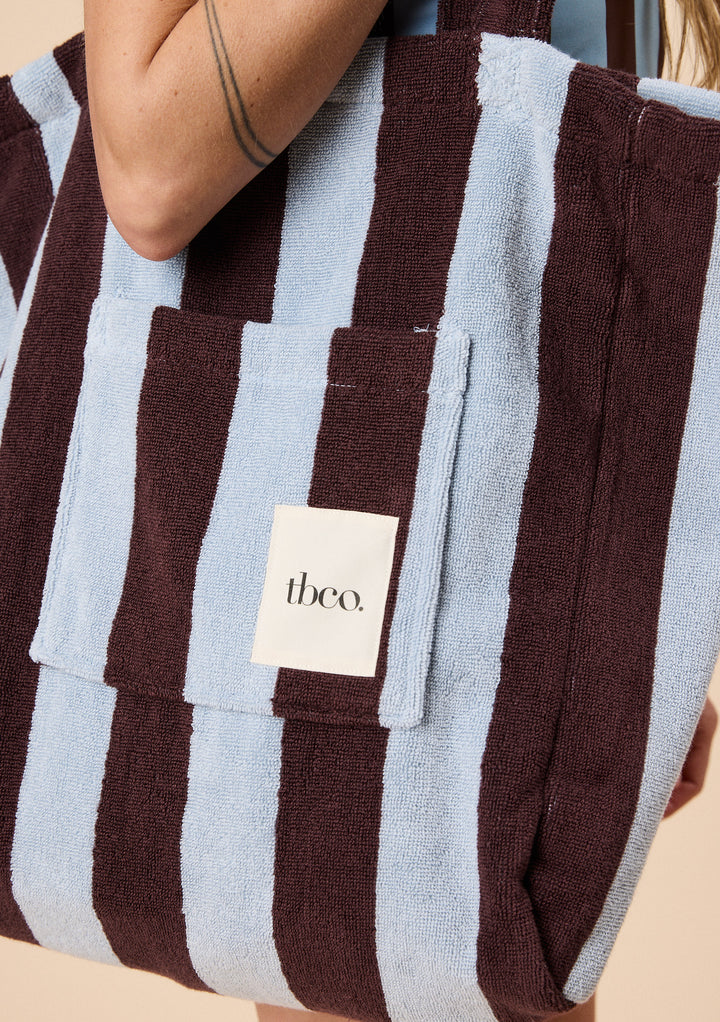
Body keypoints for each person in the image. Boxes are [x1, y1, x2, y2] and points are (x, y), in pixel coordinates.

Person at [82, 2, 720, 1020]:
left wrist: (626, 570)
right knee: (381, 937)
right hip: (359, 464)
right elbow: (150, 162)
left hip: (514, 512)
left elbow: (591, 139)